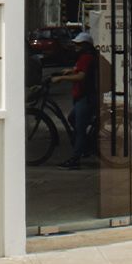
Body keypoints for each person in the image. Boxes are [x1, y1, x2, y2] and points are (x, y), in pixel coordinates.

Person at [55, 31, 100, 168]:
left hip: (86, 97)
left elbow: (81, 76)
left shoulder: (86, 57)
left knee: (80, 129)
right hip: (85, 97)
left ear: (86, 45)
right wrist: (70, 71)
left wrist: (62, 78)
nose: (76, 46)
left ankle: (75, 159)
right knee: (72, 119)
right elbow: (81, 70)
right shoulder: (87, 57)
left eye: (79, 44)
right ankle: (87, 144)